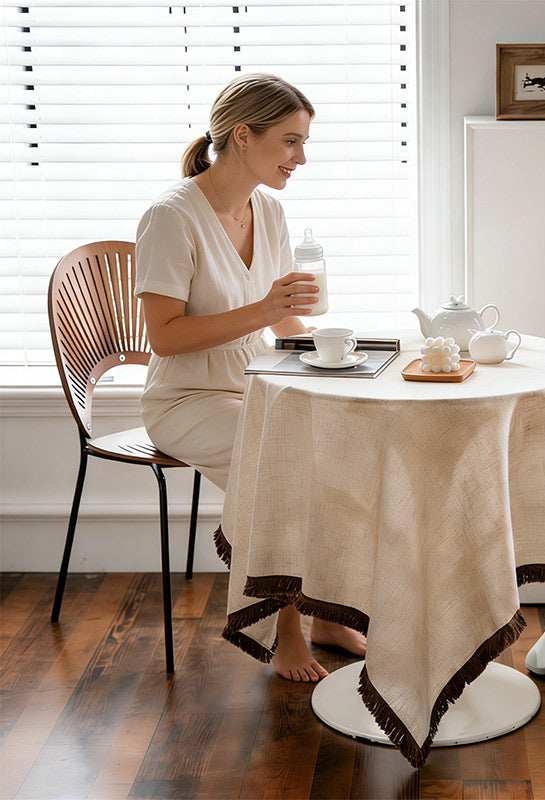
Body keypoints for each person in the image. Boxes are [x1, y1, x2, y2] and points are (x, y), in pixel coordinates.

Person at [134, 72, 366, 681]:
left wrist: (346, 351)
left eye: (304, 142)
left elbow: (286, 317)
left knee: (344, 446)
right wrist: (265, 312)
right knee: (286, 462)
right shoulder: (171, 217)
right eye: (290, 141)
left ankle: (324, 613)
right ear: (242, 136)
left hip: (256, 385)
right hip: (186, 399)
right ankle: (284, 629)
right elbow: (164, 336)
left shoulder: (269, 210)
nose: (302, 157)